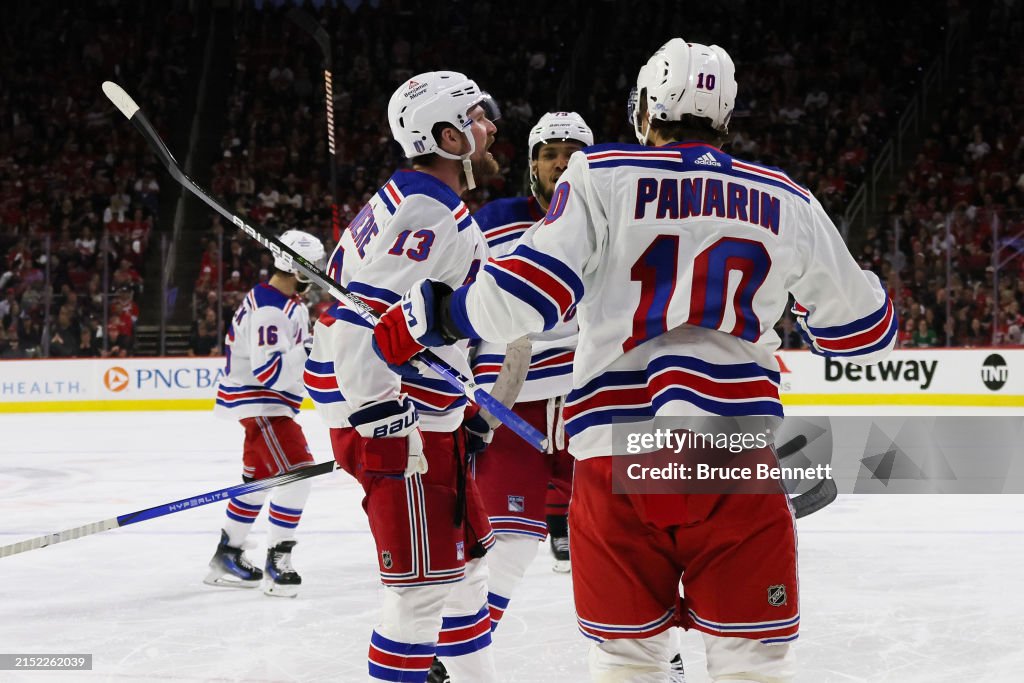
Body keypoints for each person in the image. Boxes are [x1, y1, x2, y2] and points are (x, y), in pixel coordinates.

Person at [373, 38, 898, 682]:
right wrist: (845, 289)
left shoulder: (601, 175)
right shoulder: (786, 197)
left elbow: (526, 296)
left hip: (615, 458)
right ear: (725, 118)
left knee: (627, 659)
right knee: (750, 663)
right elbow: (863, 334)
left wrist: (432, 315)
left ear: (647, 109)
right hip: (734, 460)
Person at [305, 71, 501, 683]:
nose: (490, 128)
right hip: (403, 426)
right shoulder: (424, 208)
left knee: (467, 576)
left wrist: (458, 407)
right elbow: (359, 323)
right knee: (419, 594)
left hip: (429, 416)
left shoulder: (415, 199)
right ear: (448, 136)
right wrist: (383, 423)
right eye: (476, 119)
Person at [470, 112, 592, 620]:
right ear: (533, 165)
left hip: (591, 399)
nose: (560, 164)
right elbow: (463, 299)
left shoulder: (613, 218)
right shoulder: (495, 219)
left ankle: (658, 658)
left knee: (625, 542)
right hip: (509, 402)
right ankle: (457, 657)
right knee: (504, 548)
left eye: (572, 154)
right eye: (549, 154)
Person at [205, 229, 325, 598]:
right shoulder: (270, 309)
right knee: (299, 472)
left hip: (266, 405)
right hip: (262, 405)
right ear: (295, 266)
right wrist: (313, 345)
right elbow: (269, 373)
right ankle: (279, 559)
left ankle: (227, 554)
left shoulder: (284, 302)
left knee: (257, 482)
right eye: (312, 265)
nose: (317, 272)